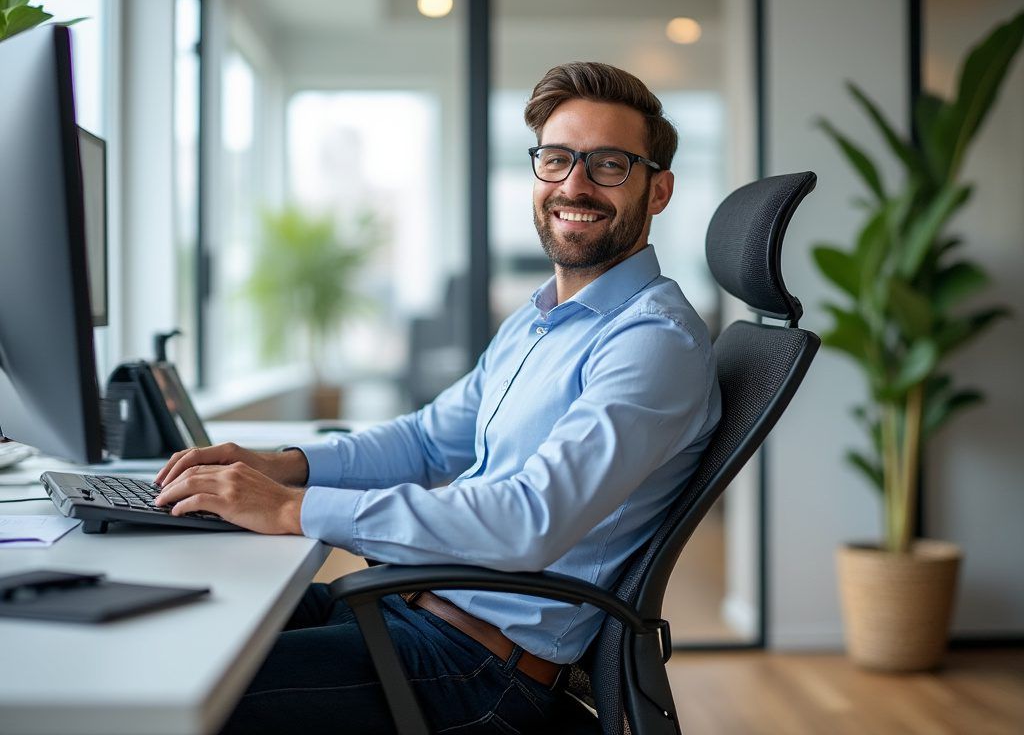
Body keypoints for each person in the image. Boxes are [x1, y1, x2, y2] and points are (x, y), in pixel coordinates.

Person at [154, 61, 722, 734]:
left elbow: (528, 519)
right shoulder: (538, 319)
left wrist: (293, 509)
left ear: (658, 191)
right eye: (558, 159)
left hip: (470, 668)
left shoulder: (652, 342)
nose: (574, 184)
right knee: (169, 630)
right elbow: (427, 439)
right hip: (404, 610)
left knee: (167, 699)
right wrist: (287, 466)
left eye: (608, 165)